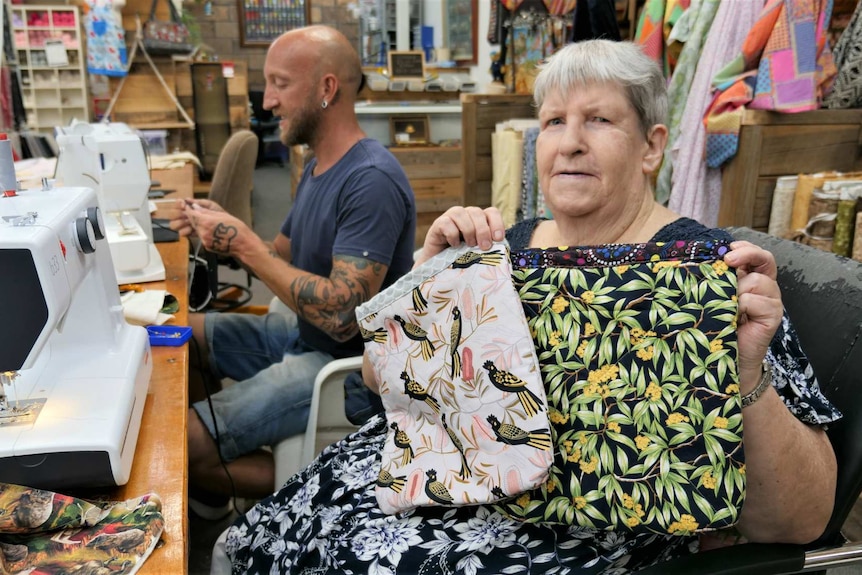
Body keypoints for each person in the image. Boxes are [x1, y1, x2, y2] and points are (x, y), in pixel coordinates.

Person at [220, 40, 840, 573]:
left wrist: (750, 374)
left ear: (652, 147)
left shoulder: (704, 271)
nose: (568, 144)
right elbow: (377, 382)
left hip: (569, 533)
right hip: (441, 483)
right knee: (275, 527)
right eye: (552, 122)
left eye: (598, 121)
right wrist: (424, 290)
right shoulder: (505, 248)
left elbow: (804, 518)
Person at [167, 25, 417, 513]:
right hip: (304, 339)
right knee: (182, 332)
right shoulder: (319, 167)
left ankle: (304, 496)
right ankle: (220, 468)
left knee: (180, 446)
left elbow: (343, 316)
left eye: (280, 83)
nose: (268, 101)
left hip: (344, 371)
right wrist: (221, 232)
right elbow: (277, 251)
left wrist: (245, 247)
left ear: (326, 89)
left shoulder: (370, 180)